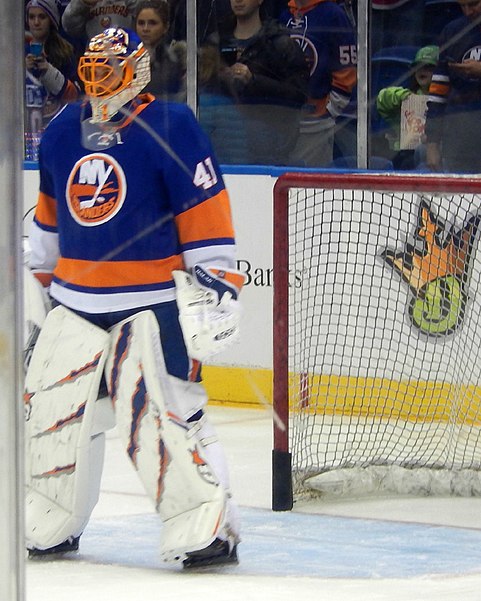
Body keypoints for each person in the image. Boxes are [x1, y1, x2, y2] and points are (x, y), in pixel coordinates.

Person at [26, 26, 245, 568]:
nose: (100, 78)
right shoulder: (59, 132)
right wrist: (36, 290)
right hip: (75, 306)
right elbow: (49, 228)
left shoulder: (172, 126)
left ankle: (213, 527)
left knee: (174, 415)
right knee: (61, 418)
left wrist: (216, 280)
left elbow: (205, 214)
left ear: (138, 68)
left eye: (111, 67)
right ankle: (53, 519)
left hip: (153, 304)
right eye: (92, 67)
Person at [203, 0, 309, 165]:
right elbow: (199, 89)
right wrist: (216, 76)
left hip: (266, 150)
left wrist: (254, 81)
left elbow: (298, 96)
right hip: (221, 145)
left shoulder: (278, 43)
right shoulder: (216, 41)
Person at [279, 0, 357, 167]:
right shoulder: (284, 15)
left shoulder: (333, 15)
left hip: (317, 126)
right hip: (285, 123)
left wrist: (328, 111)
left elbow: (347, 69)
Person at [425, 0, 481, 173]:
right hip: (460, 135)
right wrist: (432, 143)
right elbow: (438, 90)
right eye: (462, 6)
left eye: (473, 4)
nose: (467, 11)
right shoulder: (452, 31)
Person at [25, 0, 80, 161]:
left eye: (42, 17)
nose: (36, 22)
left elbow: (75, 98)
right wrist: (23, 71)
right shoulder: (16, 51)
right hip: (26, 133)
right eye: (32, 16)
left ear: (51, 19)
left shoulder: (65, 52)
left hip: (58, 131)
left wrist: (47, 71)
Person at [376, 45, 438, 170]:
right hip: (405, 162)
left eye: (428, 67)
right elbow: (382, 101)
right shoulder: (407, 100)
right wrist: (404, 96)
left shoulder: (449, 102)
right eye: (418, 66)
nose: (422, 70)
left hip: (435, 161)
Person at [134, 0, 186, 100]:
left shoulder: (176, 59)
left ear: (165, 27)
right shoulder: (124, 59)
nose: (145, 29)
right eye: (141, 23)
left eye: (152, 23)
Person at [61, 0, 138, 45]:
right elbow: (69, 27)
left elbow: (146, 13)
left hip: (130, 53)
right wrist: (83, 3)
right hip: (95, 57)